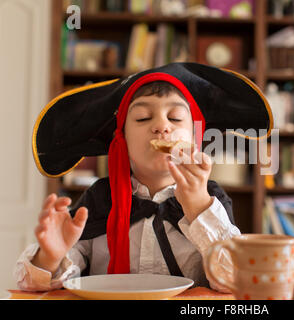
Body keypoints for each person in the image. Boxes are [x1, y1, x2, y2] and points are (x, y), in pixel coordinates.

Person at [13, 63, 273, 292]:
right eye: (142, 117)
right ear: (121, 139)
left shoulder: (211, 199)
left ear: (196, 137)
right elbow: (31, 284)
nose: (161, 126)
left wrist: (198, 208)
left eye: (175, 117)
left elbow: (239, 282)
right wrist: (50, 257)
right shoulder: (100, 199)